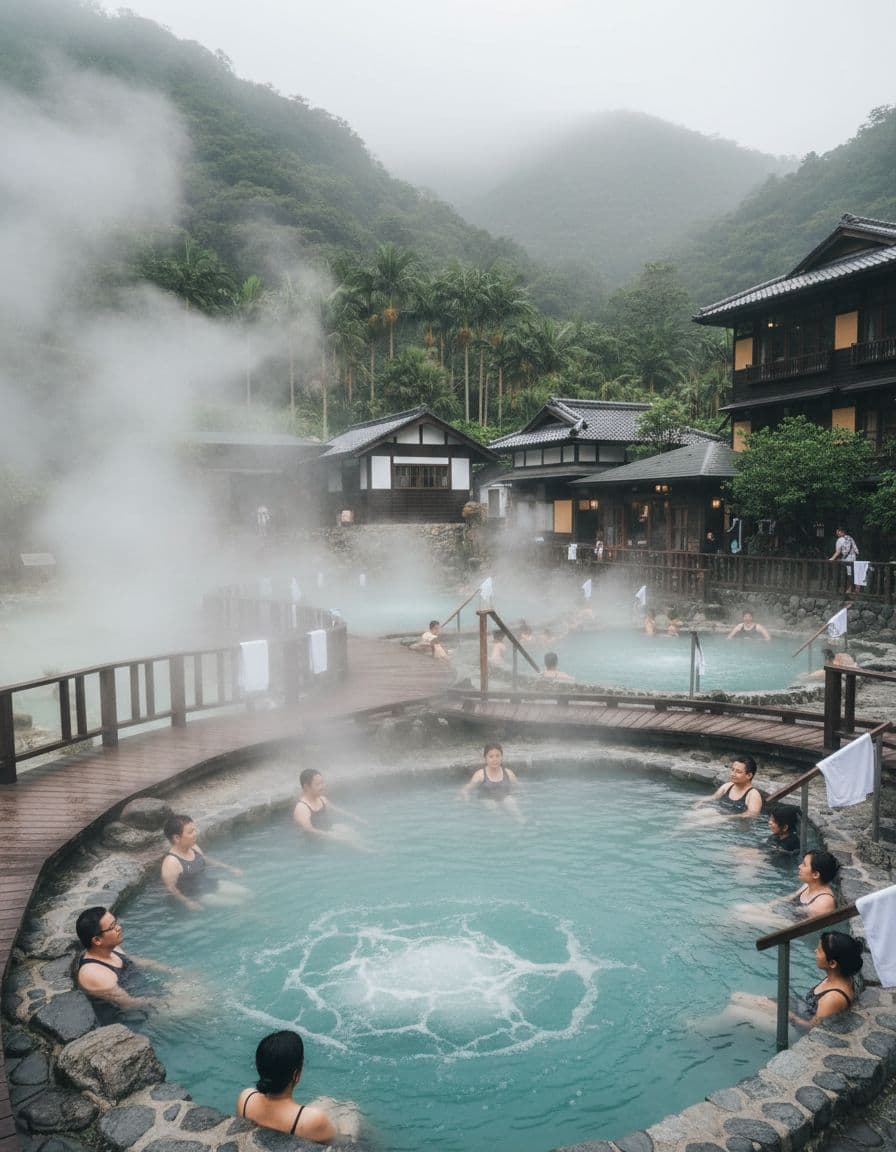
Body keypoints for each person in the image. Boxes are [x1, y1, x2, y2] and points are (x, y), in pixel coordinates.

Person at [237, 1031, 337, 1144]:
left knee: (326, 1101)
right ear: (296, 1075)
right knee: (348, 1110)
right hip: (300, 1124)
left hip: (294, 1120)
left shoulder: (246, 1098)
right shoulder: (316, 1119)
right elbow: (337, 1144)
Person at [75, 906, 167, 1019]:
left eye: (116, 922)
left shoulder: (112, 948)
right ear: (97, 940)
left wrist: (172, 971)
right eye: (112, 926)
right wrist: (166, 1001)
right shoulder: (94, 974)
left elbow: (135, 961)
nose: (119, 927)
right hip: (131, 1017)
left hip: (147, 996)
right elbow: (128, 1004)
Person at [161, 814, 245, 912]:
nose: (195, 834)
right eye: (190, 832)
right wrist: (188, 902)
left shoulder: (193, 847)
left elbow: (205, 859)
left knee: (248, 894)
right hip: (197, 895)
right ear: (177, 838)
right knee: (239, 903)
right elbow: (171, 888)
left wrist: (229, 868)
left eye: (194, 830)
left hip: (208, 883)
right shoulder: (171, 862)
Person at [793, 932, 862, 1025]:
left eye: (820, 950)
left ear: (832, 963)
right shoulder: (840, 976)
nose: (815, 951)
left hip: (800, 1026)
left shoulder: (832, 998)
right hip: (803, 1010)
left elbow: (812, 1027)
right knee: (766, 1003)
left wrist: (790, 1016)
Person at [293, 768, 366, 843]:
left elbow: (337, 811)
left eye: (322, 783)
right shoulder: (302, 808)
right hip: (314, 842)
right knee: (350, 841)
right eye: (318, 784)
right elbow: (309, 830)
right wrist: (331, 835)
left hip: (328, 831)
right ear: (306, 786)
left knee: (353, 832)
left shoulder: (321, 799)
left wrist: (355, 818)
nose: (323, 786)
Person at [460, 743, 523, 820]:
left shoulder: (508, 773)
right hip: (486, 798)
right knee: (494, 809)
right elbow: (466, 789)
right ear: (485, 758)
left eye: (497, 756)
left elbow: (519, 788)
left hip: (504, 797)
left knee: (514, 809)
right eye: (491, 756)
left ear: (501, 757)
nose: (494, 759)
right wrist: (466, 798)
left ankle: (522, 824)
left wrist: (520, 798)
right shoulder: (480, 774)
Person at [695, 756, 763, 817]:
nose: (733, 774)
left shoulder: (753, 795)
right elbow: (713, 797)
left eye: (738, 772)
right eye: (732, 770)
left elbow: (751, 815)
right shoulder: (727, 786)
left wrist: (727, 818)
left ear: (749, 775)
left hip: (732, 823)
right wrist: (701, 802)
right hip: (718, 814)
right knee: (691, 816)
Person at [786, 849, 840, 916]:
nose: (799, 866)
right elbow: (787, 899)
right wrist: (769, 907)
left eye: (804, 865)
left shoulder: (824, 902)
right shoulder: (807, 885)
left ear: (815, 875)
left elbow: (803, 926)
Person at [829, 527, 859, 593]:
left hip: (847, 559)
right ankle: (853, 588)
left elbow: (838, 552)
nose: (836, 534)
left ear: (841, 532)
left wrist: (832, 559)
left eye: (838, 532)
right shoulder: (850, 538)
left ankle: (848, 589)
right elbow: (856, 549)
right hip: (854, 557)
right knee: (853, 573)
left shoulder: (840, 540)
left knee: (848, 574)